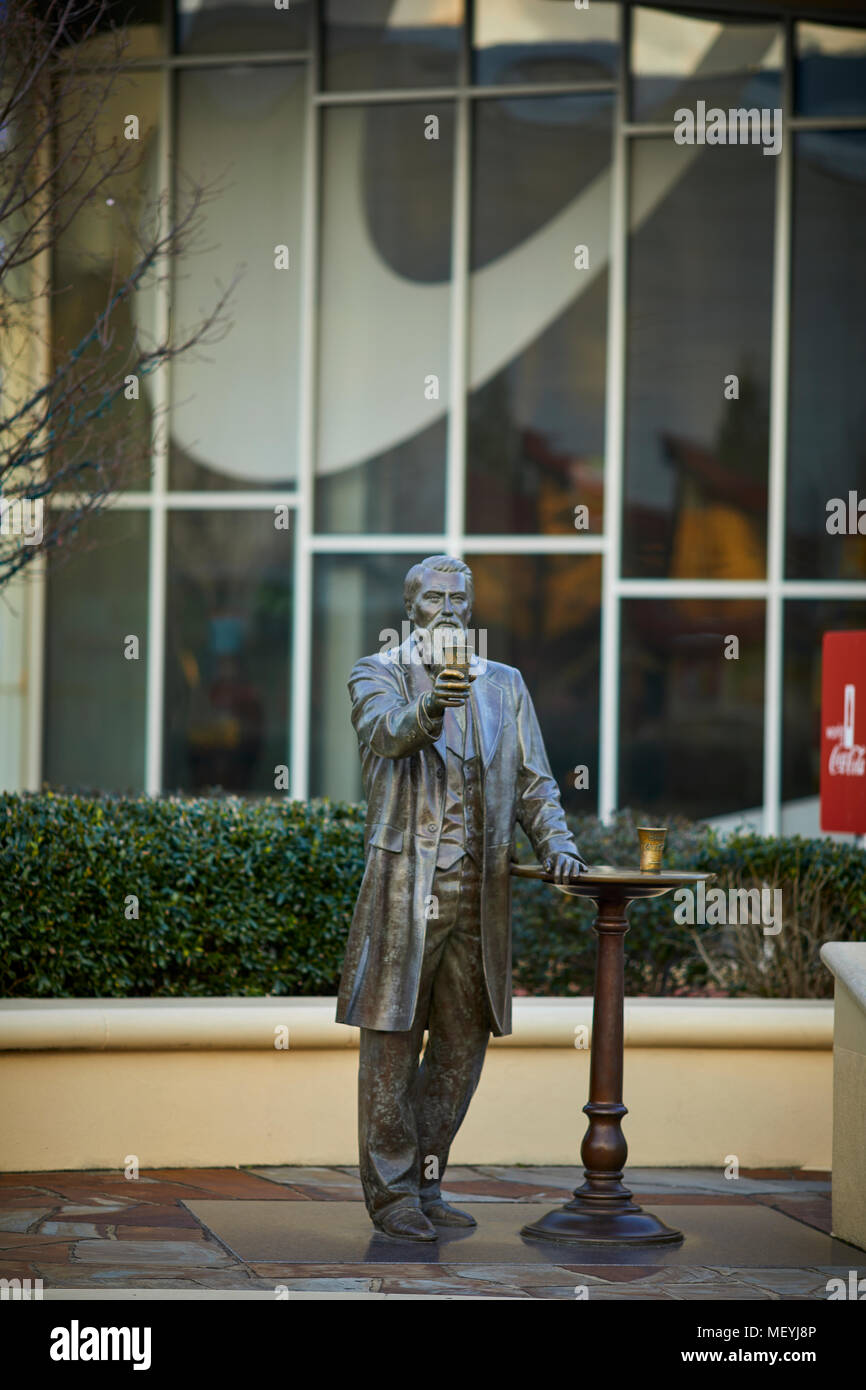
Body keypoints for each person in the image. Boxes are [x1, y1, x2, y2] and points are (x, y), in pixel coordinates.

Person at [336, 555, 586, 1240]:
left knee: (461, 1045)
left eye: (458, 597)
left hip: (482, 892)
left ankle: (427, 1179)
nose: (447, 608)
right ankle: (391, 1199)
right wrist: (434, 702)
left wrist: (556, 844)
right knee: (391, 1040)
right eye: (433, 597)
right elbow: (386, 735)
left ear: (471, 610)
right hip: (406, 887)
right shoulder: (376, 672)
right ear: (409, 607)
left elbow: (536, 783)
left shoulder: (505, 685)